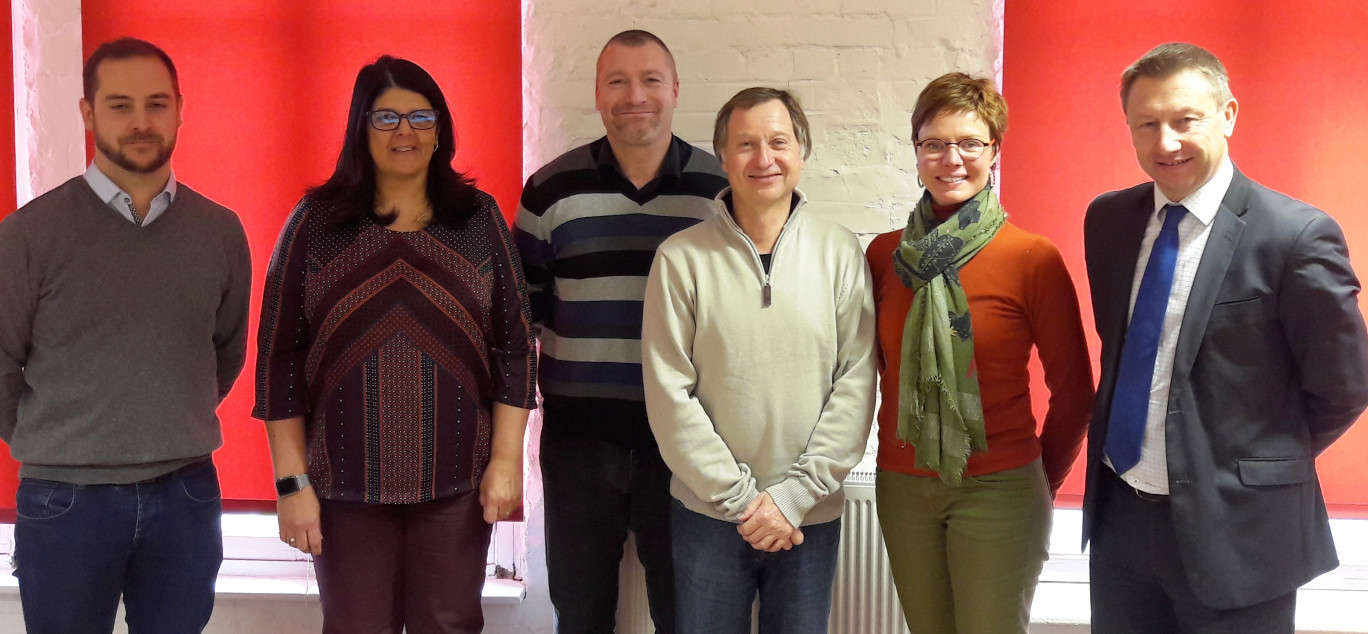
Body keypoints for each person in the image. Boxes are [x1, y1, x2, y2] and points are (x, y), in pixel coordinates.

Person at [1082, 42, 1368, 632]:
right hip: (1120, 529)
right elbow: (1124, 355)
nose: (1166, 143)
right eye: (1147, 124)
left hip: (1240, 533)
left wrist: (1248, 468)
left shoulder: (1296, 236)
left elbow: (1343, 387)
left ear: (1228, 115)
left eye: (1185, 120)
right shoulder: (1108, 221)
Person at [253, 55, 536, 633]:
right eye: (385, 118)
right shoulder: (316, 222)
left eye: (420, 117)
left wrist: (507, 461)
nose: (404, 131)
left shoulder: (477, 218)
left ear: (440, 130)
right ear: (360, 128)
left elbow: (514, 347)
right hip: (342, 487)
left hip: (458, 483)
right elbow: (278, 359)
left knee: (449, 623)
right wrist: (291, 483)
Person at [0, 37, 252, 633]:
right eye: (119, 105)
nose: (141, 122)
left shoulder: (219, 231)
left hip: (186, 497)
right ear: (87, 113)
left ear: (181, 109)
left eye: (157, 104)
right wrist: (68, 438)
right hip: (66, 502)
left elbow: (226, 352)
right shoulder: (27, 237)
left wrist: (162, 422)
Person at [642, 87, 876, 634]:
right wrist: (745, 502)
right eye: (746, 144)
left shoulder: (840, 252)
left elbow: (857, 381)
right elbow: (669, 392)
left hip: (809, 516)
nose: (763, 158)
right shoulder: (681, 259)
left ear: (802, 151)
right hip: (708, 516)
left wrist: (792, 498)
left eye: (778, 141)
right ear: (723, 157)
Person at [514, 29, 727, 633]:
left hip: (690, 444)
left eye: (651, 79)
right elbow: (518, 323)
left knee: (688, 618)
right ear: (599, 94)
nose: (635, 95)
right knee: (580, 617)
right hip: (579, 446)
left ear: (676, 91)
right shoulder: (550, 190)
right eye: (618, 81)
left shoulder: (721, 192)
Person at [865, 72, 1093, 633]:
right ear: (916, 150)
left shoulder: (1032, 258)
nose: (951, 159)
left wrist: (1041, 479)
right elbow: (872, 370)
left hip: (1000, 490)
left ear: (994, 150)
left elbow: (1076, 393)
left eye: (970, 143)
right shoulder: (885, 255)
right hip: (903, 487)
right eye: (934, 143)